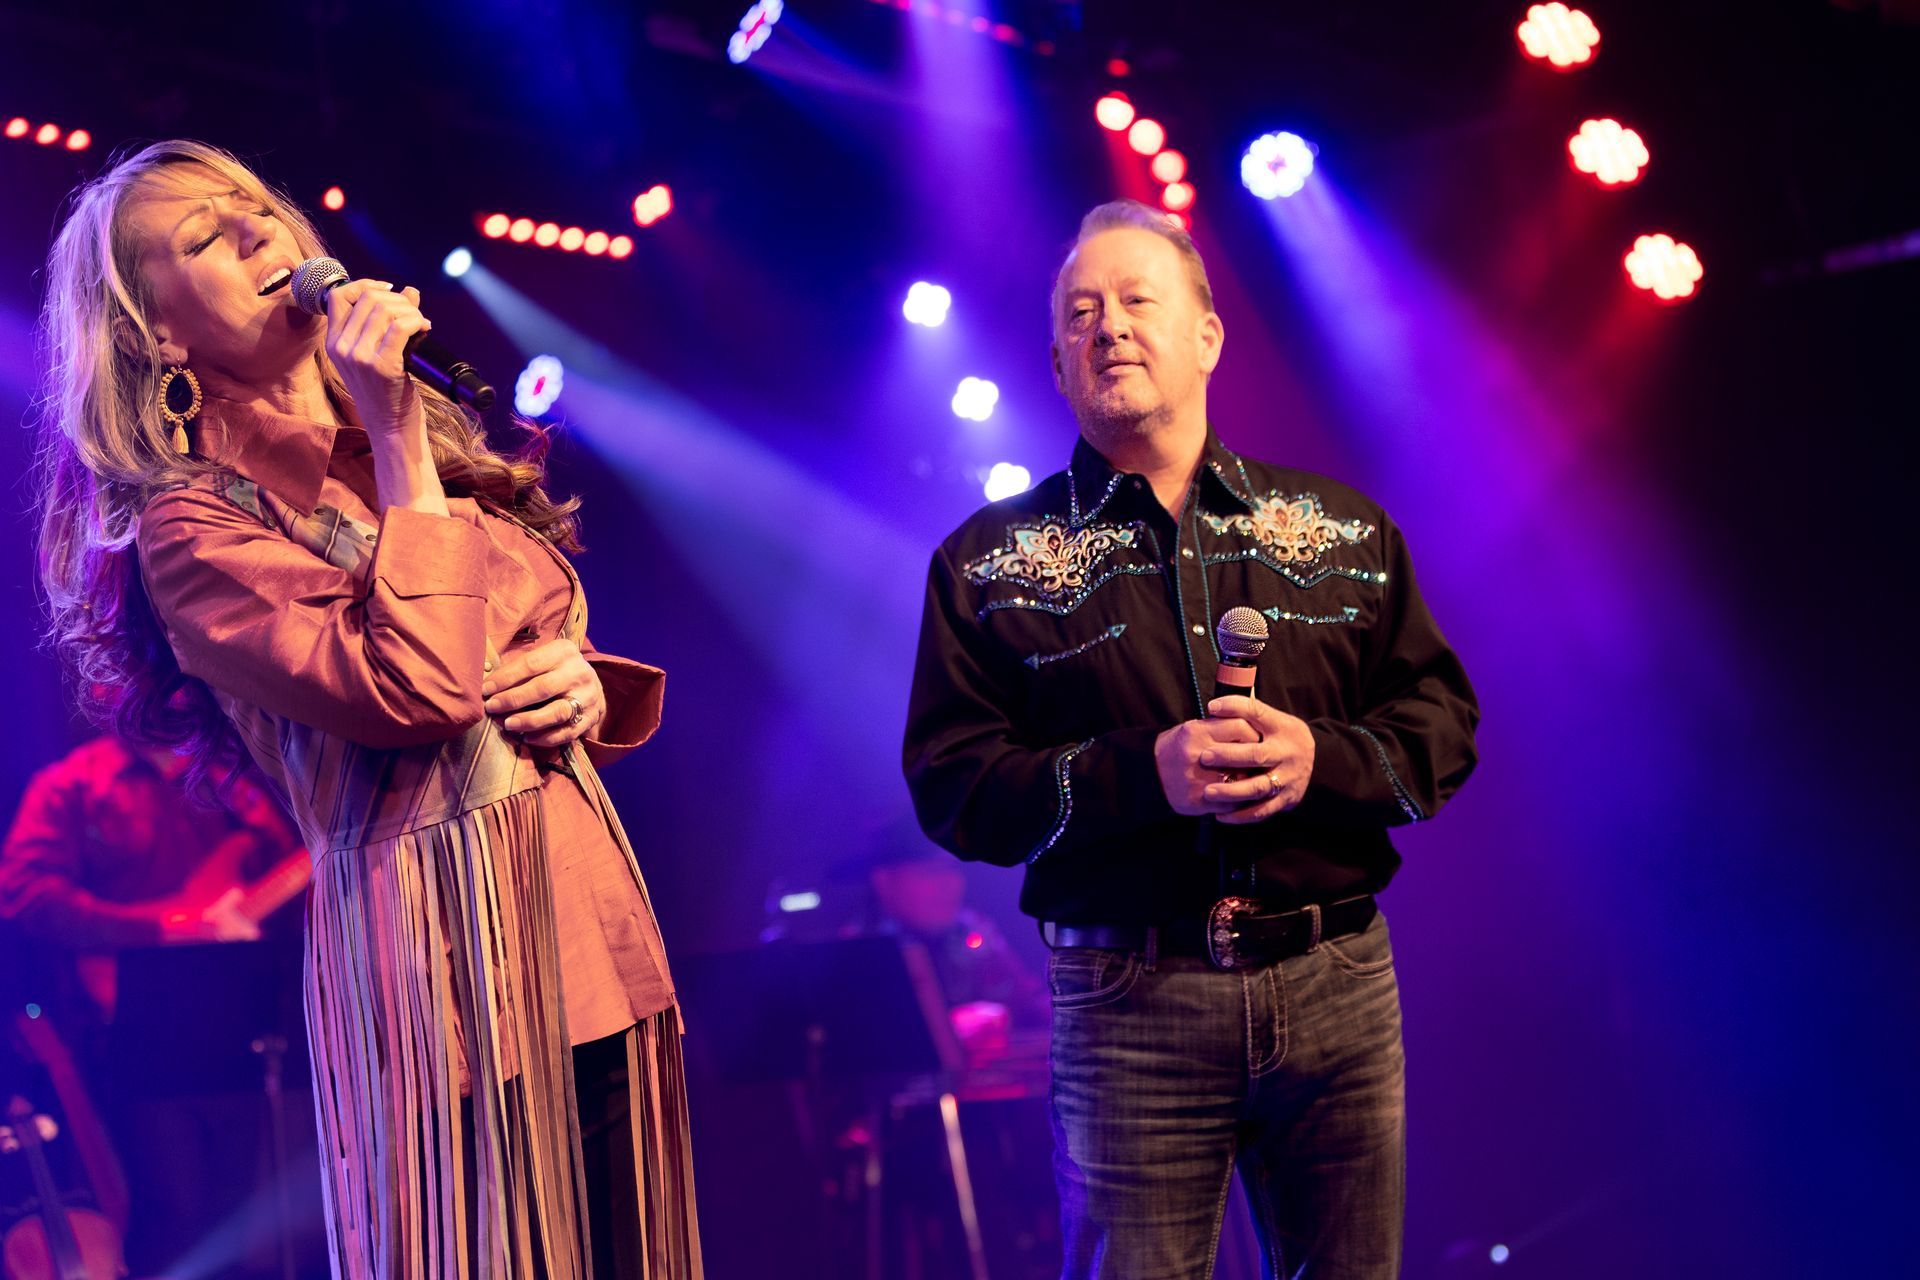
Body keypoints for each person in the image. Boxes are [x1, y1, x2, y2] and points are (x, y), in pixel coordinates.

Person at [33, 140, 700, 1279]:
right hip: (453, 969)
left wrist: (586, 682)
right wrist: (395, 437)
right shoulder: (194, 526)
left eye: (255, 207)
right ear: (160, 335)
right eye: (204, 237)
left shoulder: (408, 443)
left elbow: (530, 621)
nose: (257, 230)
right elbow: (417, 688)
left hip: (589, 918)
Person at [903, 200, 1479, 1278]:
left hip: (1338, 978)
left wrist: (1321, 761)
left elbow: (1441, 726)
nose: (1109, 327)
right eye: (1081, 313)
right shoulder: (985, 564)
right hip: (1127, 999)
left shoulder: (1343, 529)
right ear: (1058, 362)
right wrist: (1141, 773)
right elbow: (954, 786)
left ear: (1208, 336)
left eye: (1136, 300)